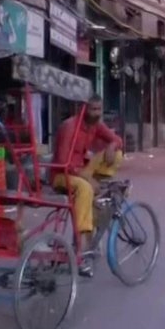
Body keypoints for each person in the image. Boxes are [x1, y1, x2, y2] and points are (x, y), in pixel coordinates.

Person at [52, 95, 123, 278]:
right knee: (86, 188)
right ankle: (80, 245)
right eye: (92, 109)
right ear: (83, 109)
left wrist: (112, 145)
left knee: (117, 154)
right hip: (63, 175)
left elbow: (117, 140)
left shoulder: (96, 125)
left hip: (83, 170)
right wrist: (86, 178)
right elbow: (62, 162)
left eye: (99, 109)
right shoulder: (70, 126)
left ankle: (99, 180)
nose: (96, 113)